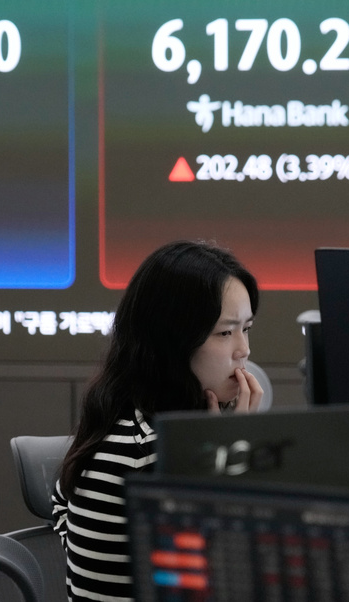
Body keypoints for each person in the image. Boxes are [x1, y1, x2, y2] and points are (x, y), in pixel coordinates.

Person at [51, 240, 262, 601]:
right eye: (225, 333)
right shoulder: (148, 455)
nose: (243, 349)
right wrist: (230, 458)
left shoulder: (128, 421)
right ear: (174, 342)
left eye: (247, 328)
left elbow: (58, 503)